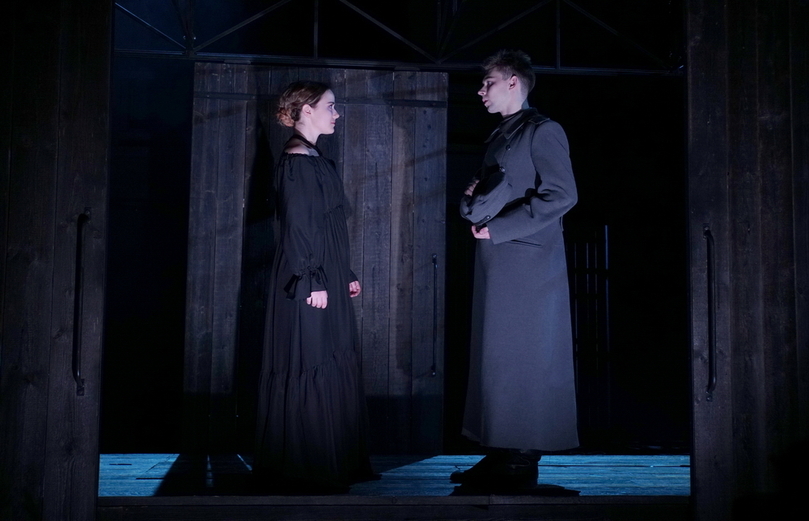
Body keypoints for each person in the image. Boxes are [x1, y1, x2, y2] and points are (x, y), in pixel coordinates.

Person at [454, 50, 579, 491]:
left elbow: (563, 194)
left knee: (525, 356)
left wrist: (502, 228)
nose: (480, 91)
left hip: (528, 262)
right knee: (498, 358)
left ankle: (522, 456)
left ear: (513, 82)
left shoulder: (543, 131)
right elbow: (483, 192)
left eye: (487, 82)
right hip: (499, 260)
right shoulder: (501, 135)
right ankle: (501, 449)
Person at [253, 81, 375, 493]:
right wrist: (310, 278)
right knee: (311, 358)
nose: (336, 114)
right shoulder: (296, 161)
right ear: (306, 110)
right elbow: (298, 226)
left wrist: (344, 272)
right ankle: (306, 467)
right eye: (330, 106)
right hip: (306, 278)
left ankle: (333, 462)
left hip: (326, 274)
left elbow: (327, 225)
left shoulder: (315, 158)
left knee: (331, 355)